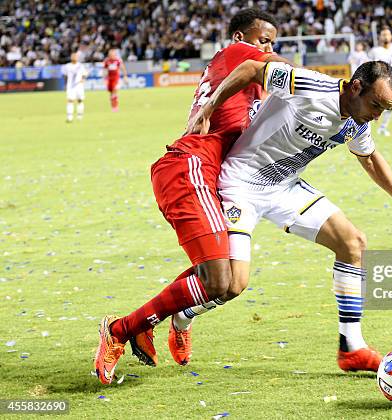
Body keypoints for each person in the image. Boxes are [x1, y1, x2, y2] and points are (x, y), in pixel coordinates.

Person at [182, 59, 392, 373]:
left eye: (384, 110)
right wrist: (208, 109)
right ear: (356, 87)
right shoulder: (310, 85)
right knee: (232, 285)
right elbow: (253, 68)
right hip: (241, 184)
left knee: (353, 244)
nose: (377, 116)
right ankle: (182, 317)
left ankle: (352, 348)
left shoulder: (357, 121)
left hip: (284, 188)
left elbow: (370, 158)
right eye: (376, 105)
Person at [94, 8, 290, 384]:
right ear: (239, 38)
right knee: (217, 280)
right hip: (190, 169)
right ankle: (119, 330)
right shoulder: (236, 55)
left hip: (205, 174)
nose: (268, 47)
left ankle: (175, 319)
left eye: (272, 42)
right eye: (262, 39)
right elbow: (278, 68)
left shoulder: (245, 84)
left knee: (232, 281)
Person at [368, 27, 392, 137]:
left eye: (387, 34)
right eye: (383, 34)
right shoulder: (374, 51)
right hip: (378, 81)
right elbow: (368, 65)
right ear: (380, 37)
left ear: (391, 37)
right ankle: (369, 127)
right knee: (377, 105)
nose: (385, 36)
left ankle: (382, 127)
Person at [61, 53, 88, 122]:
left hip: (79, 85)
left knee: (80, 100)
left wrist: (83, 79)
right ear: (71, 57)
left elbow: (85, 74)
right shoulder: (67, 66)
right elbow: (65, 76)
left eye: (75, 56)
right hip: (70, 86)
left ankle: (80, 116)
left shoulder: (80, 66)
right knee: (70, 100)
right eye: (73, 56)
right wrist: (65, 84)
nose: (74, 57)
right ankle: (70, 117)